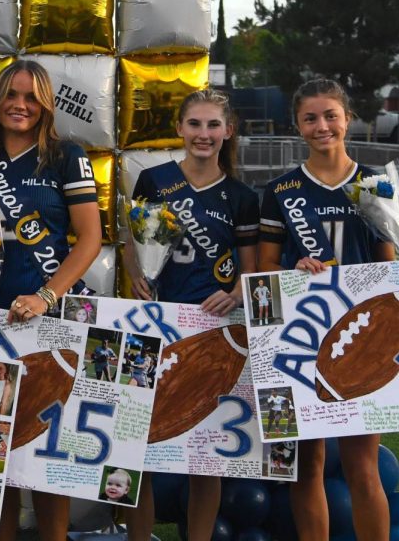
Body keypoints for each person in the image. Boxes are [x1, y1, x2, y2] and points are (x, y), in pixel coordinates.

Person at [0, 60, 101, 541]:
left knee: (47, 455)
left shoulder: (66, 156)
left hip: (50, 321)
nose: (20, 105)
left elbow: (90, 238)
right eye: (12, 95)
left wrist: (46, 296)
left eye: (32, 97)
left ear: (46, 104)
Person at [258, 78, 399, 541]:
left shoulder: (375, 183)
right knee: (307, 465)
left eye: (330, 115)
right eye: (310, 118)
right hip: (303, 336)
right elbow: (265, 266)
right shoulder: (281, 190)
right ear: (297, 125)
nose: (321, 126)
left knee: (362, 465)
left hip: (362, 338)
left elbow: (389, 269)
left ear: (347, 118)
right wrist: (294, 266)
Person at [123, 88, 259, 541]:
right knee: (139, 447)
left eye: (213, 125)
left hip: (213, 332)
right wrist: (135, 277)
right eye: (195, 124)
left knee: (207, 452)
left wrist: (237, 291)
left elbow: (251, 269)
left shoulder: (241, 196)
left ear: (228, 131)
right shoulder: (154, 181)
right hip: (157, 325)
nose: (204, 134)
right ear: (180, 128)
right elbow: (132, 241)